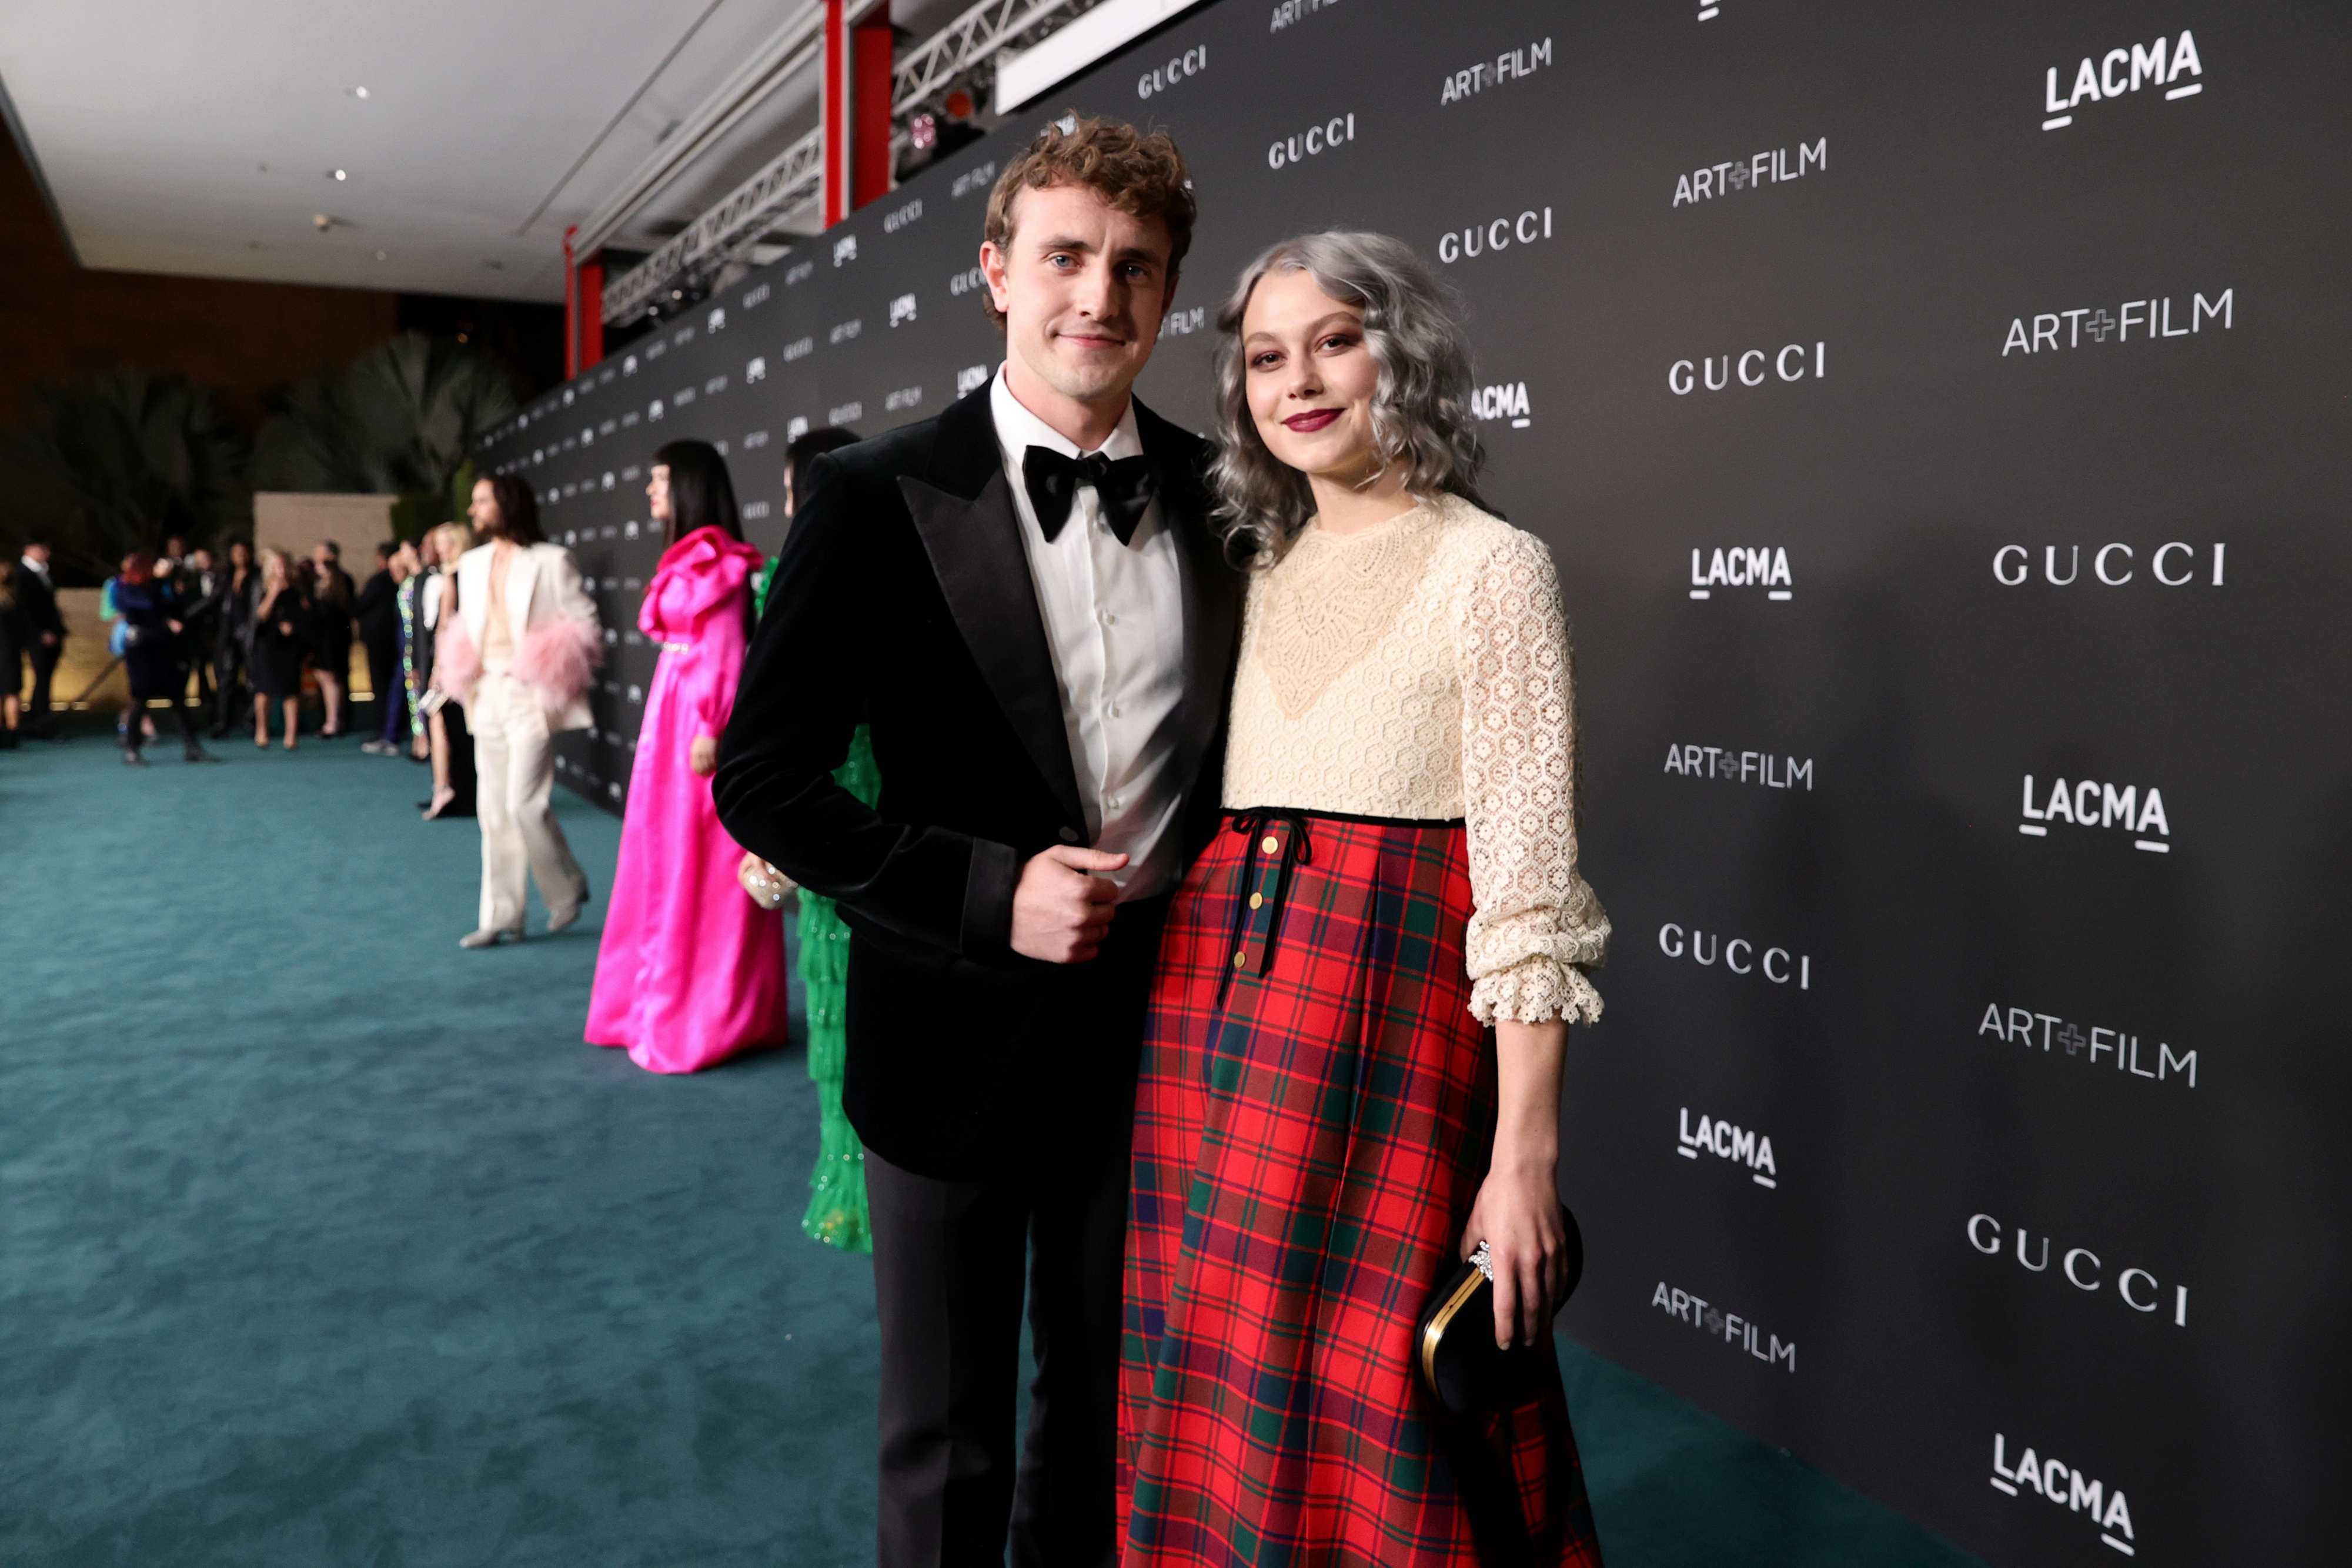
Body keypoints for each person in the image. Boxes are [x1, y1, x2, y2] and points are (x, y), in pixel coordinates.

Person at [714, 116, 1239, 1568]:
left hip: (1155, 1034)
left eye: (1135, 267)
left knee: (1104, 1421)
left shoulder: (1225, 500)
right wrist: (983, 892)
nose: (1098, 296)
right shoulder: (871, 497)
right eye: (1065, 257)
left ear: (1167, 292)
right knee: (943, 1439)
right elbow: (761, 780)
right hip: (941, 1033)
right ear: (995, 272)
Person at [1116, 233, 1611, 1567]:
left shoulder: (1492, 571)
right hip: (1207, 1025)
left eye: (1334, 340)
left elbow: (1525, 895)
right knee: (1211, 1373)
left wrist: (1524, 1166)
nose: (1299, 381)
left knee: (1378, 1401)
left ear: (1405, 351)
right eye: (1266, 357)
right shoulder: (1249, 564)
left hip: (1383, 1036)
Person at [586, 442, 786, 1071]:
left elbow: (724, 649)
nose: (651, 492)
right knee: (663, 859)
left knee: (699, 865)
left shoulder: (716, 561)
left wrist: (709, 725)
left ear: (690, 486)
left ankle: (709, 1017)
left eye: (661, 480)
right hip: (667, 724)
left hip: (694, 729)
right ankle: (651, 1003)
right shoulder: (691, 559)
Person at [741, 424, 870, 1250]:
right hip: (884, 811)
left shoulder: (784, 583)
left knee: (839, 1003)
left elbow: (780, 736)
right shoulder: (900, 561)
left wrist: (775, 837)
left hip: (830, 810)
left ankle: (857, 1187)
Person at [437, 476, 600, 948]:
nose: (473, 510)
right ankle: (500, 916)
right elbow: (468, 625)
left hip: (530, 694)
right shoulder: (471, 563)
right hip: (486, 694)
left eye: (482, 500)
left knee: (522, 804)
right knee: (492, 810)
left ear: (506, 503)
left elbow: (584, 622)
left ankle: (566, 885)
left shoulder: (551, 562)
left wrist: (547, 660)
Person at [110, 552, 216, 765]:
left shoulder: (160, 587)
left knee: (178, 700)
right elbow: (147, 606)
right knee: (140, 701)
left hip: (164, 648)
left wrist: (176, 592)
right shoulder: (127, 588)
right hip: (141, 649)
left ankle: (192, 748)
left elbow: (176, 610)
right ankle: (132, 750)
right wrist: (160, 582)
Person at [418, 523, 478, 818]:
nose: (440, 548)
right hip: (462, 658)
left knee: (448, 725)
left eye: (446, 543)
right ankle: (448, 789)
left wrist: (439, 669)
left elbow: (445, 624)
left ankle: (448, 790)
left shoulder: (455, 575)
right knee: (455, 726)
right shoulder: (465, 572)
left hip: (452, 660)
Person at [249, 548, 309, 749]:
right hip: (268, 644)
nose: (282, 570)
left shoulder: (297, 588)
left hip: (290, 646)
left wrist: (293, 625)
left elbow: (305, 611)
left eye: (284, 565)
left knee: (291, 690)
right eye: (278, 566)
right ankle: (262, 730)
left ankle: (291, 735)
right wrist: (274, 592)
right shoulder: (262, 587)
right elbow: (260, 616)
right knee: (264, 689)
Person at [355, 541, 406, 755]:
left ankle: (389, 731)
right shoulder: (400, 586)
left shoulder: (381, 581)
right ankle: (391, 730)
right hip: (395, 642)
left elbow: (359, 606)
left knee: (388, 688)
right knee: (393, 689)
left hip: (389, 643)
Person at [15, 539, 66, 739]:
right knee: (42, 677)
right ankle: (40, 724)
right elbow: (26, 609)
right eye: (41, 548)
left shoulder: (44, 572)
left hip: (51, 633)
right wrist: (41, 632)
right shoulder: (21, 574)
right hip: (37, 636)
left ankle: (39, 720)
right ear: (27, 549)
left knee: (45, 679)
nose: (46, 552)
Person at [208, 540, 258, 737]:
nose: (242, 557)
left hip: (250, 634)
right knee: (226, 680)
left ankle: (253, 721)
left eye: (245, 553)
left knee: (253, 680)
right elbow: (213, 602)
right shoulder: (225, 577)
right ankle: (223, 723)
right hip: (227, 635)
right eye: (237, 553)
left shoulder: (256, 576)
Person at [309, 540, 356, 738]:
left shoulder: (340, 580)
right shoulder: (317, 582)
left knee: (333, 678)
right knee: (324, 677)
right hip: (323, 639)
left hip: (334, 638)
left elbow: (342, 610)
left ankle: (336, 720)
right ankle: (331, 718)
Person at [0, 560, 22, 748]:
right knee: (11, 693)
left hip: (7, 649)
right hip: (9, 650)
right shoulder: (13, 599)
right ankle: (12, 732)